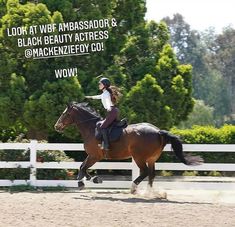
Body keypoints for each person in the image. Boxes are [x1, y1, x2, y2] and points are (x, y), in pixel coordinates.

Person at [85, 77, 122, 151]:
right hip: (112, 111)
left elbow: (107, 100)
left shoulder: (106, 94)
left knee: (102, 127)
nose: (99, 85)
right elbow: (99, 97)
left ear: (104, 85)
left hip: (112, 111)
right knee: (100, 125)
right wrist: (89, 97)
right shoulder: (105, 93)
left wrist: (108, 107)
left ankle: (106, 145)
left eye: (100, 84)